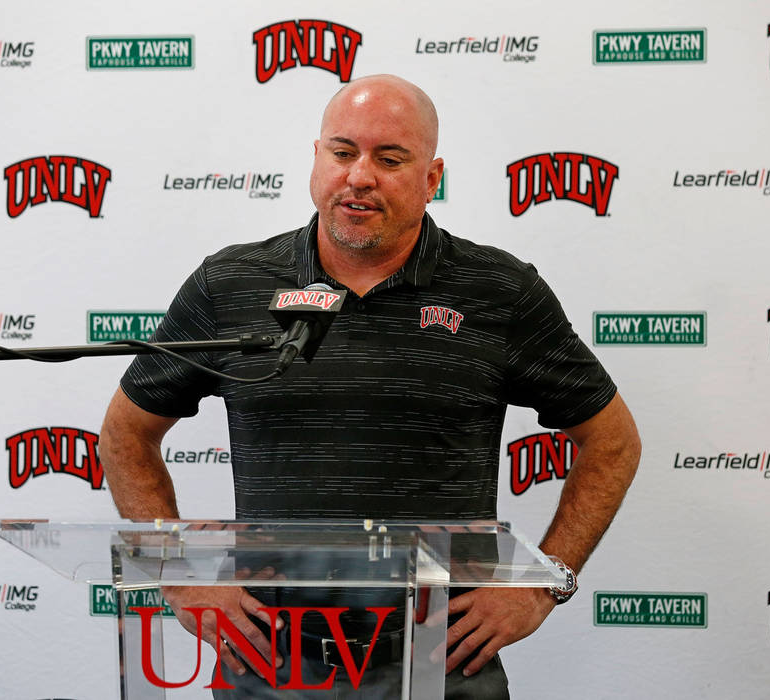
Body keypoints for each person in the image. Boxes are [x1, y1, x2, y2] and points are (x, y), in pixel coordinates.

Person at [99, 74, 641, 698]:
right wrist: (177, 574)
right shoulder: (231, 283)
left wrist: (547, 584)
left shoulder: (500, 291)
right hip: (269, 654)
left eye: (390, 159)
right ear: (316, 157)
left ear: (432, 178)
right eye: (343, 152)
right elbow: (125, 434)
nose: (360, 176)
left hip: (442, 654)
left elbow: (613, 443)